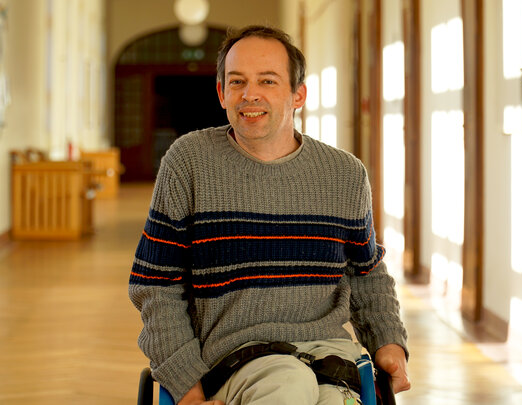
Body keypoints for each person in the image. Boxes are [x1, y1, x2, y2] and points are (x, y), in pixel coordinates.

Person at [129, 25, 410, 405]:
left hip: (329, 355)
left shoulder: (345, 174)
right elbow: (155, 284)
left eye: (267, 80)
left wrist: (389, 341)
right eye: (237, 81)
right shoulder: (189, 162)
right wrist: (188, 390)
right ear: (221, 93)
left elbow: (366, 272)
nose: (250, 94)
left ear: (298, 95)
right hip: (232, 358)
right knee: (288, 382)